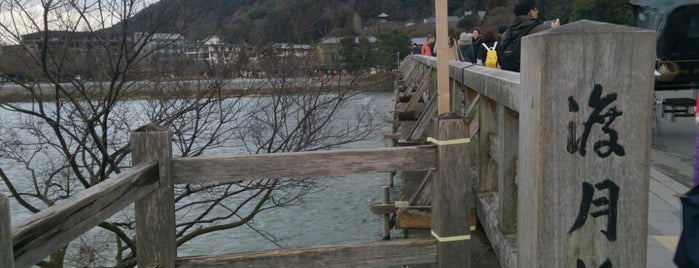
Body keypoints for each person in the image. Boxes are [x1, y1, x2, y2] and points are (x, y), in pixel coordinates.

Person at [499, 0, 560, 71]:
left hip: (511, 72)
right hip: (532, 73)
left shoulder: (507, 32)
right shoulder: (541, 29)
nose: (537, 11)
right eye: (535, 9)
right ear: (530, 12)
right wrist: (555, 30)